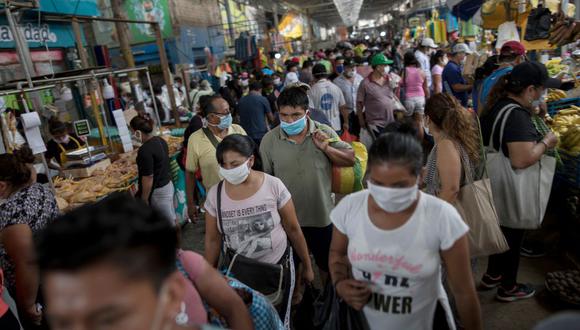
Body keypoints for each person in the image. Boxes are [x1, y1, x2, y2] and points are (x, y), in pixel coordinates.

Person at [328, 133, 483, 330]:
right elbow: (337, 254)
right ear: (369, 176)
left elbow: (464, 293)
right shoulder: (350, 208)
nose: (387, 193)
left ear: (420, 177)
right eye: (378, 183)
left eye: (399, 186)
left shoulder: (441, 216)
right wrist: (340, 283)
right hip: (362, 323)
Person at [36, 193, 253, 330]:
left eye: (106, 321)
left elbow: (234, 308)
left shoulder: (187, 263)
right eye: (63, 324)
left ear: (171, 295)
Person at [204, 134, 314, 325]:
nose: (228, 169)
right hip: (238, 276)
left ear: (251, 160)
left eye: (235, 164)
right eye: (224, 164)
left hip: (278, 270)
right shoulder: (216, 195)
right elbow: (213, 240)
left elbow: (293, 229)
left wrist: (307, 266)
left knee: (278, 320)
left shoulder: (273, 186)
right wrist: (207, 277)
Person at [479, 62, 560, 301]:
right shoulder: (515, 116)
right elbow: (521, 159)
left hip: (494, 183)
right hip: (510, 185)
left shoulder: (498, 106)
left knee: (501, 229)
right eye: (542, 90)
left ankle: (492, 275)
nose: (543, 95)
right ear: (530, 90)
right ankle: (508, 287)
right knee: (512, 234)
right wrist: (546, 142)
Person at [260, 85, 354, 285]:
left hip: (322, 216)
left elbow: (350, 159)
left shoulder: (323, 132)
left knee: (326, 265)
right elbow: (266, 181)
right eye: (284, 115)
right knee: (294, 267)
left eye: (296, 115)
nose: (290, 120)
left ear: (307, 113)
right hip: (286, 221)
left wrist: (326, 147)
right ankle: (301, 301)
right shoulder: (269, 141)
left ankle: (329, 301)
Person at [0, 153, 59, 328]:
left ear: (2, 185)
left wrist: (28, 305)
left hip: (37, 291)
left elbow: (27, 262)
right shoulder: (40, 190)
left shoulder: (11, 213)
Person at [185, 95, 246, 221]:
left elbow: (251, 162)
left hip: (245, 197)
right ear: (211, 116)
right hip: (218, 204)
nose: (229, 114)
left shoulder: (238, 130)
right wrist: (190, 204)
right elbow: (190, 173)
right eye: (225, 112)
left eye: (229, 110)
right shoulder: (195, 139)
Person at [423, 93, 480, 203]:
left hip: (448, 213)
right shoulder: (452, 140)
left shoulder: (446, 145)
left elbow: (451, 190)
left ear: (428, 118)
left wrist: (432, 216)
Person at [130, 115, 176, 225]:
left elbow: (148, 177)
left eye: (131, 131)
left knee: (166, 225)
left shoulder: (144, 150)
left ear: (137, 132)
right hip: (168, 185)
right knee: (172, 220)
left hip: (158, 192)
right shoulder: (161, 140)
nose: (131, 135)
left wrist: (144, 198)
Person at [478, 41, 527, 112]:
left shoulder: (488, 78)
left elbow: (480, 110)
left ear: (499, 59)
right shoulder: (512, 76)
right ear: (520, 58)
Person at [357, 53, 396, 137]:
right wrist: (361, 121)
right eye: (384, 65)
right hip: (375, 124)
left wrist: (395, 85)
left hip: (390, 122)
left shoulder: (389, 79)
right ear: (378, 67)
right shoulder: (365, 83)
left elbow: (393, 96)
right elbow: (359, 104)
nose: (387, 68)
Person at [308, 64, 348, 133]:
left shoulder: (311, 91)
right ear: (326, 74)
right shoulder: (336, 88)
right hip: (336, 127)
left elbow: (310, 112)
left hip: (320, 129)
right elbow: (343, 107)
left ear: (313, 76)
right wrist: (346, 122)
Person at [400, 51, 429, 140]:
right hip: (421, 98)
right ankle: (419, 145)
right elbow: (426, 88)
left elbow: (400, 83)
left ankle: (409, 144)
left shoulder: (404, 71)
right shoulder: (422, 71)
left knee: (407, 123)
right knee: (419, 123)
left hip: (409, 99)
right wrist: (427, 99)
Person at [238, 81, 275, 146]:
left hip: (245, 133)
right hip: (260, 133)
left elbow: (238, 116)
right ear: (260, 89)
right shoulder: (262, 99)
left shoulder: (241, 100)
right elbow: (271, 118)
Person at [333, 59, 364, 137]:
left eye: (354, 67)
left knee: (360, 135)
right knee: (349, 136)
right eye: (350, 67)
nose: (353, 69)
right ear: (344, 68)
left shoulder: (360, 78)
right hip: (346, 114)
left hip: (359, 112)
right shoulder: (337, 82)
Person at [442, 43, 473, 107]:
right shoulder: (451, 68)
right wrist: (473, 86)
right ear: (459, 54)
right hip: (454, 105)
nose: (466, 57)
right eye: (465, 54)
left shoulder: (455, 67)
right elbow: (456, 87)